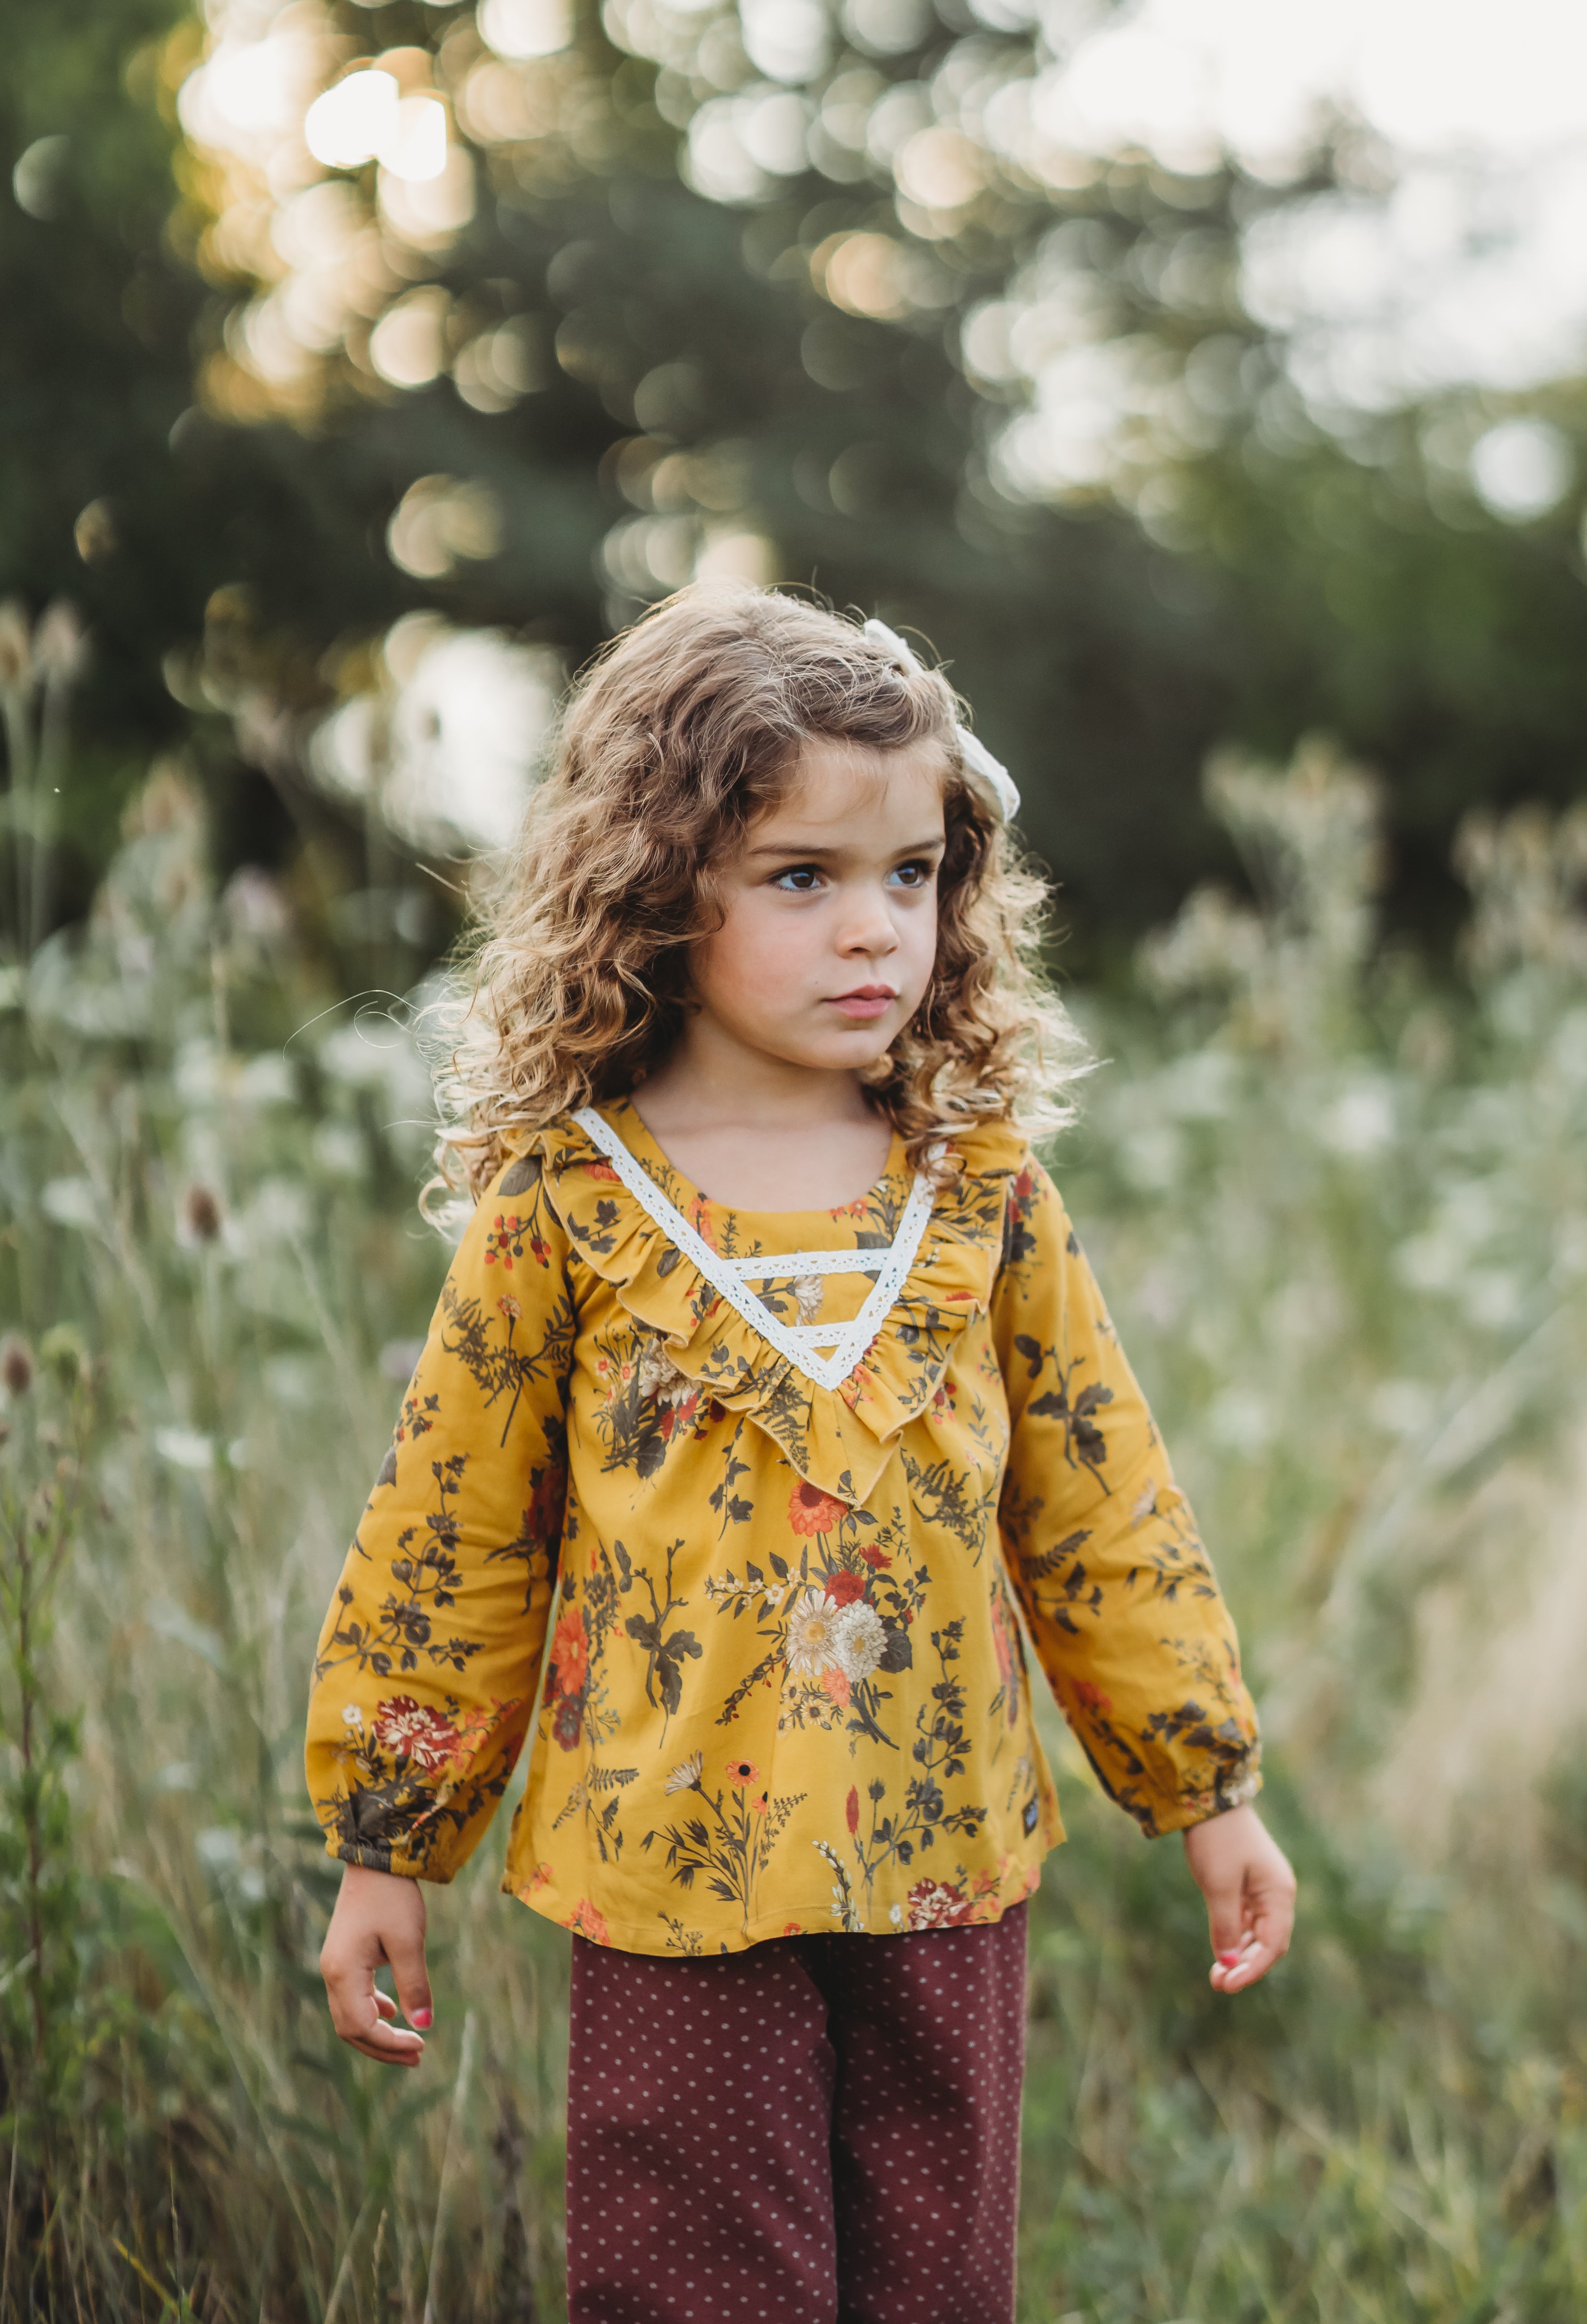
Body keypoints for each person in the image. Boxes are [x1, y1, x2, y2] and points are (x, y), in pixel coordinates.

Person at [307, 585, 1295, 2324]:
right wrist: (391, 1835)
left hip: (944, 1858)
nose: (874, 931)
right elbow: (452, 1536)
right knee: (700, 2289)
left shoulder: (978, 1192)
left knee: (934, 2285)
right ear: (658, 882)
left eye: (910, 874)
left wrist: (1203, 1780)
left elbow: (1097, 1500)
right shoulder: (569, 1207)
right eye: (801, 877)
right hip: (670, 1862)